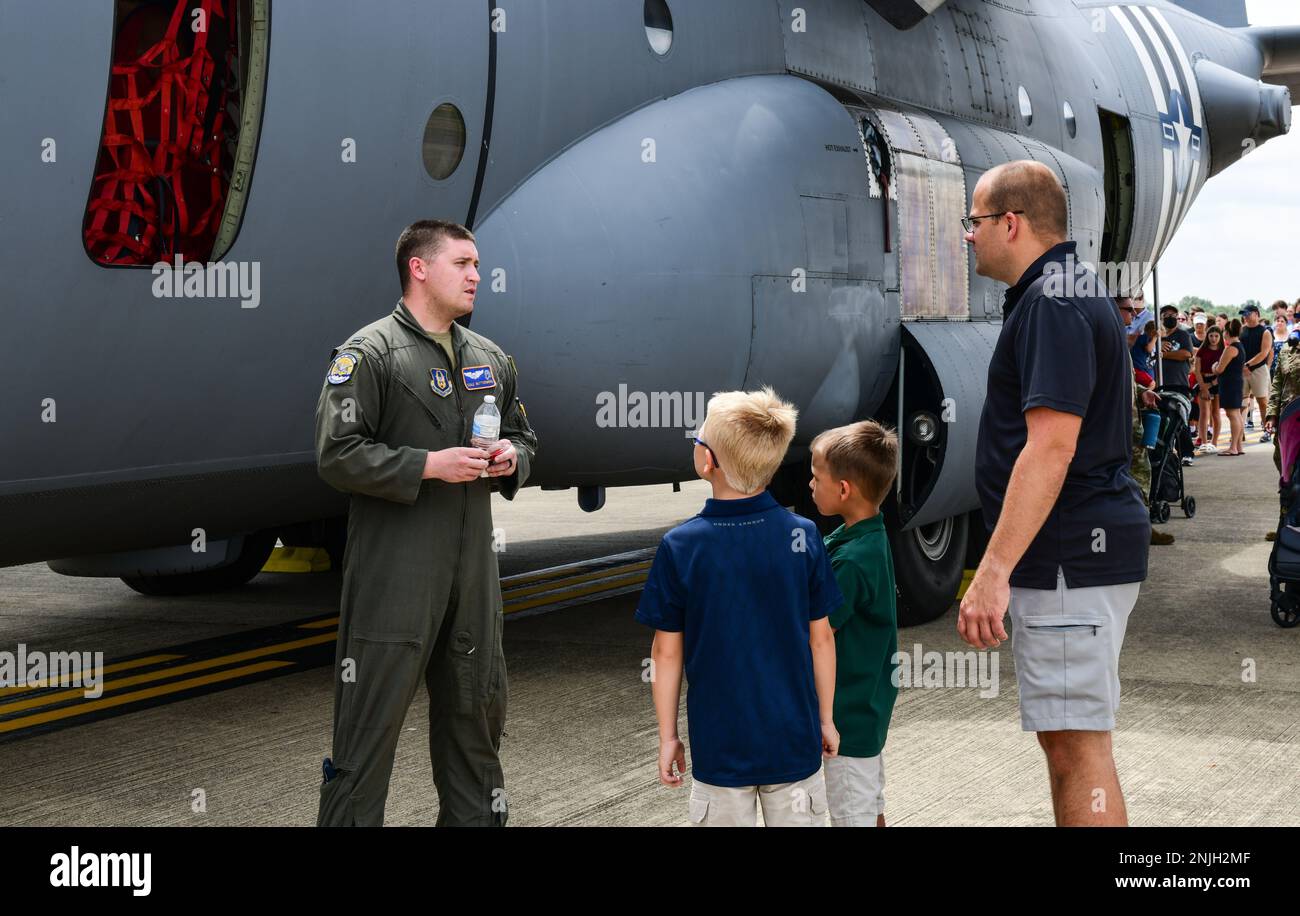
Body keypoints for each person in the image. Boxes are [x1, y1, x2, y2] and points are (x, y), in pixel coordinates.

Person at [315, 219, 538, 827]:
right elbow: (337, 453)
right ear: (419, 268)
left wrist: (514, 456)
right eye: (462, 263)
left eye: (476, 264)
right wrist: (428, 465)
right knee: (367, 730)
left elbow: (525, 435)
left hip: (472, 574)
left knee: (477, 720)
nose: (476, 275)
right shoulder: (370, 354)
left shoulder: (488, 358)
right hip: (395, 575)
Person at [960, 160, 1149, 826]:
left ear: (1011, 223)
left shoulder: (1054, 300)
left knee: (1075, 751)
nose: (968, 237)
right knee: (1069, 741)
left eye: (974, 222)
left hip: (1071, 555)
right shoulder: (1060, 292)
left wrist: (993, 569)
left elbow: (1051, 447)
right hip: (1074, 553)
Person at [637, 388, 842, 827]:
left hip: (720, 749)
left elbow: (665, 653)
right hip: (793, 742)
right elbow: (820, 638)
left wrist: (668, 735)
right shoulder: (803, 536)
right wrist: (825, 719)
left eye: (698, 437)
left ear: (708, 461)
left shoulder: (681, 546)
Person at [808, 421, 900, 826]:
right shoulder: (864, 538)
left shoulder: (852, 563)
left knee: (851, 816)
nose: (811, 485)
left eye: (815, 477)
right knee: (868, 808)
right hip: (868, 709)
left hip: (846, 720)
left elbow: (815, 630)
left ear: (844, 490)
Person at [1238, 304, 1273, 440]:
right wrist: (1241, 366)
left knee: (1263, 401)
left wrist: (1248, 364)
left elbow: (1264, 352)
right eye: (1243, 314)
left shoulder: (1265, 332)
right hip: (1242, 369)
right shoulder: (1241, 330)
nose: (1245, 317)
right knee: (1241, 403)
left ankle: (1267, 431)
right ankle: (1239, 432)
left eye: (1247, 314)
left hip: (1258, 369)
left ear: (1256, 314)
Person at [1214, 319, 1246, 456]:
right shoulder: (1239, 346)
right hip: (1235, 383)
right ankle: (1238, 446)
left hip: (1230, 384)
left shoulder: (1231, 348)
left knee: (1232, 414)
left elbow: (1219, 369)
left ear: (1226, 333)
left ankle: (1233, 447)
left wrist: (1214, 366)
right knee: (1236, 414)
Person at [1194, 324, 1225, 452]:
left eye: (1216, 336)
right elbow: (1197, 370)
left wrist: (1212, 384)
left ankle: (1214, 442)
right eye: (1211, 336)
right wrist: (1203, 387)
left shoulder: (1224, 350)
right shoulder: (1202, 350)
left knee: (1215, 413)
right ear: (1207, 336)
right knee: (1204, 413)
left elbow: (1224, 371)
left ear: (1220, 336)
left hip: (1217, 382)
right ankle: (1204, 442)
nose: (1213, 338)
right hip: (1203, 380)